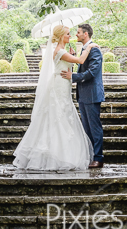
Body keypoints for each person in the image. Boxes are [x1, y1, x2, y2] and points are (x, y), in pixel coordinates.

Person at [12, 24, 95, 171]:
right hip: (59, 86)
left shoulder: (62, 51)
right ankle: (54, 155)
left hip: (64, 84)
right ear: (61, 36)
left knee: (64, 114)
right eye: (68, 34)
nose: (71, 36)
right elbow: (81, 61)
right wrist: (89, 47)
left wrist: (72, 56)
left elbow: (69, 66)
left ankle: (63, 153)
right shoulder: (59, 51)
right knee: (59, 115)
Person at [61, 23, 105, 168]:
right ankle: (91, 156)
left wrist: (72, 76)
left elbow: (92, 73)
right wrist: (73, 57)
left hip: (92, 95)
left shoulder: (95, 50)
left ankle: (98, 158)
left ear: (86, 34)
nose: (76, 34)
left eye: (78, 32)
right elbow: (83, 66)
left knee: (94, 127)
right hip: (84, 95)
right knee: (87, 129)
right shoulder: (85, 49)